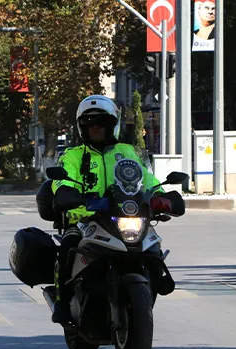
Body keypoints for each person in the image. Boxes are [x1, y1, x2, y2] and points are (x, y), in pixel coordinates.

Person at [50, 95, 163, 324]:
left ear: (112, 125)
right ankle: (62, 303)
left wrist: (162, 195)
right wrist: (65, 192)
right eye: (90, 124)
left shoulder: (127, 152)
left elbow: (147, 178)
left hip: (123, 215)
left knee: (154, 248)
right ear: (82, 127)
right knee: (68, 246)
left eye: (101, 122)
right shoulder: (73, 156)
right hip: (84, 221)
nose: (96, 128)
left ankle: (146, 296)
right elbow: (63, 180)